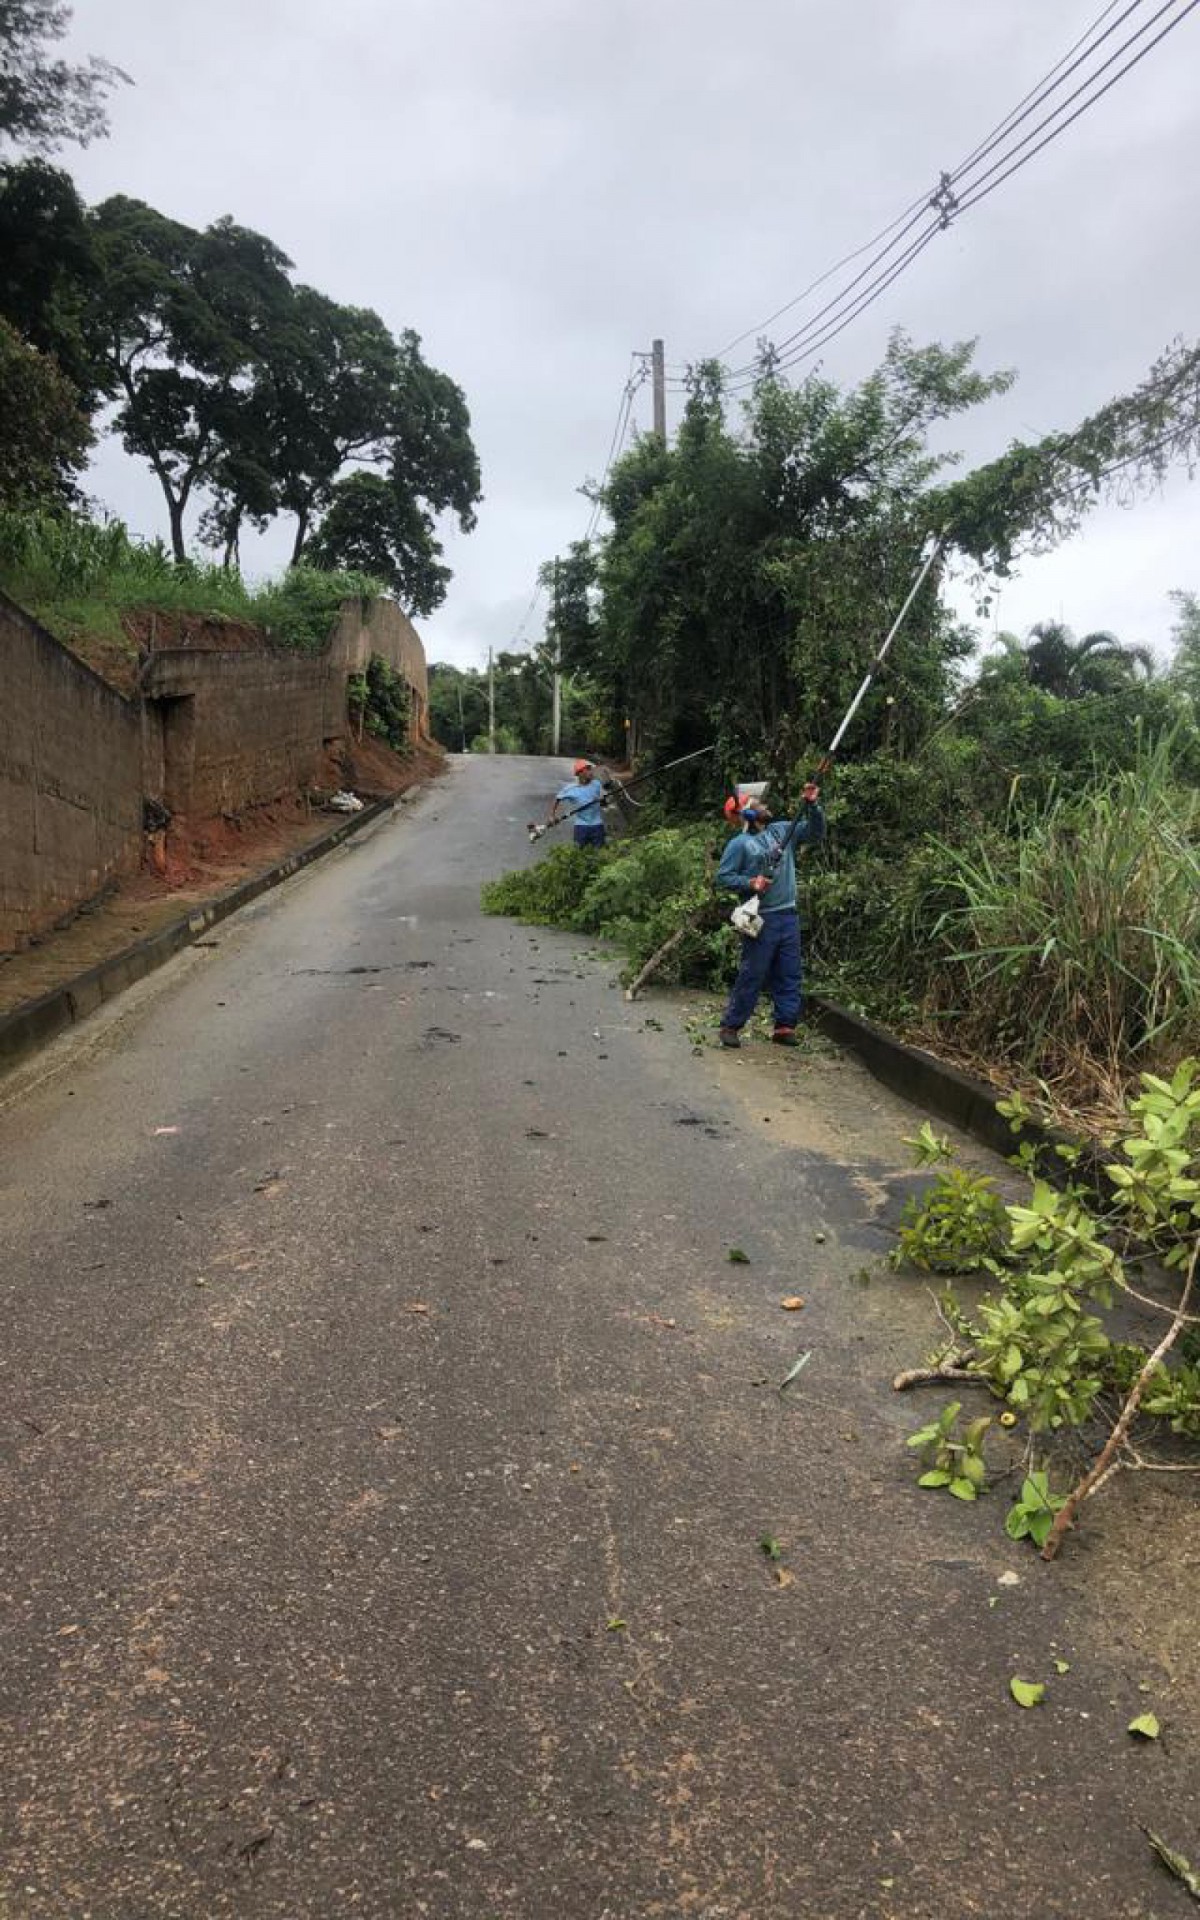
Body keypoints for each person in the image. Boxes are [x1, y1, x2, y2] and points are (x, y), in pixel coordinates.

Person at [716, 782, 825, 1048]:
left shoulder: (780, 830)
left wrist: (812, 806)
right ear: (747, 814)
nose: (764, 806)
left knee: (789, 972)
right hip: (761, 919)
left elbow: (815, 832)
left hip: (788, 914)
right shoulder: (739, 844)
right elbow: (724, 877)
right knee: (753, 973)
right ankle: (731, 1026)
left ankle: (784, 1026)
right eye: (757, 804)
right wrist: (750, 883)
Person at [551, 758, 610, 848]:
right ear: (580, 773)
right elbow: (557, 799)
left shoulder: (597, 784)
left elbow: (604, 804)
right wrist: (552, 815)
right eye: (588, 769)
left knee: (600, 853)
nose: (591, 772)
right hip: (581, 826)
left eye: (591, 769)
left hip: (597, 825)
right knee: (578, 853)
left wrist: (602, 800)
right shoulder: (571, 789)